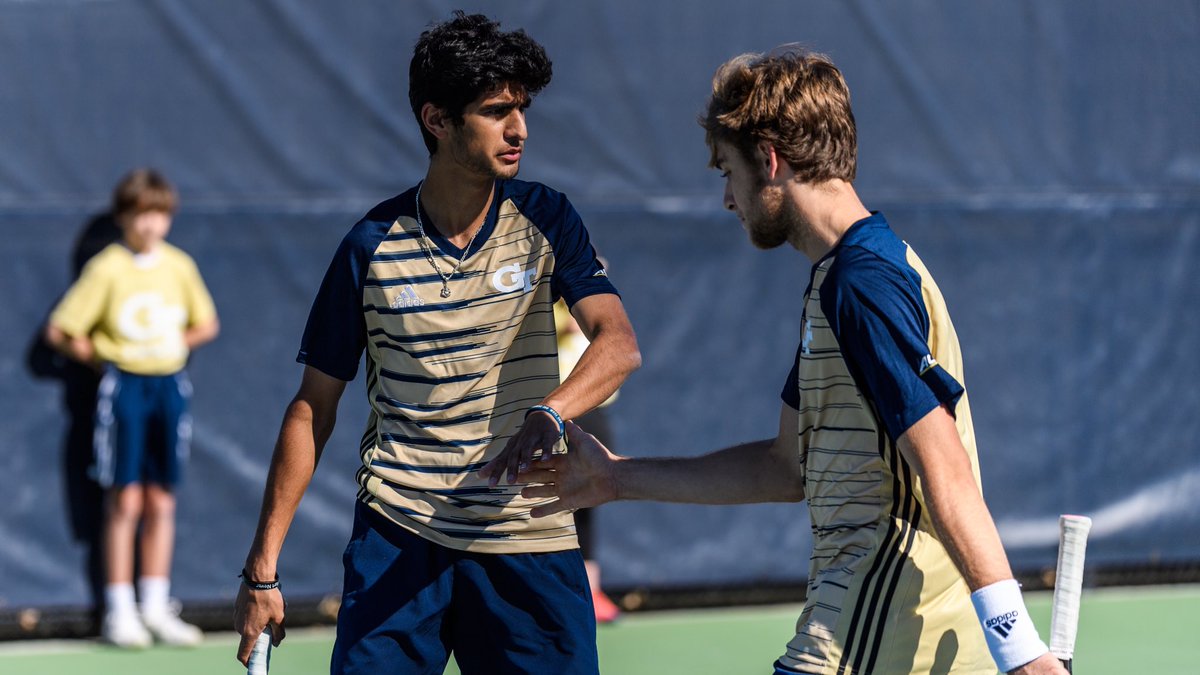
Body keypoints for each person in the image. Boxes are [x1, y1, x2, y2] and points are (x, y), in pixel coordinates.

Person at [517, 47, 1068, 675]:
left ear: (770, 161)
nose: (728, 197)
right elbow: (787, 467)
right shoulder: (836, 283)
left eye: (728, 170)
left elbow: (945, 467)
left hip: (875, 635)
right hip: (860, 628)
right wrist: (616, 479)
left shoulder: (862, 283)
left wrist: (1020, 649)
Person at [233, 11, 640, 674]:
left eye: (522, 108)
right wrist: (262, 569)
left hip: (527, 539)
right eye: (495, 110)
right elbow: (313, 407)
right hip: (398, 537)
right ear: (437, 119)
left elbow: (618, 343)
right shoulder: (369, 245)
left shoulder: (547, 217)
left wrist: (551, 411)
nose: (520, 129)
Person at [44, 168, 219, 648]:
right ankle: (118, 612)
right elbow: (61, 331)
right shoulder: (107, 268)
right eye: (140, 215)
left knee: (161, 499)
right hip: (123, 390)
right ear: (124, 218)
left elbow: (206, 324)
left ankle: (156, 606)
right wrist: (105, 357)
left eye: (158, 215)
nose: (149, 225)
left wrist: (175, 343)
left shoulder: (179, 266)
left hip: (169, 388)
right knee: (124, 500)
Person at [554, 297, 622, 624]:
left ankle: (591, 591)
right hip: (557, 408)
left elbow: (615, 339)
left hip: (595, 410)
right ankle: (555, 591)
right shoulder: (543, 293)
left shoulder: (597, 292)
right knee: (552, 496)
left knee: (591, 499)